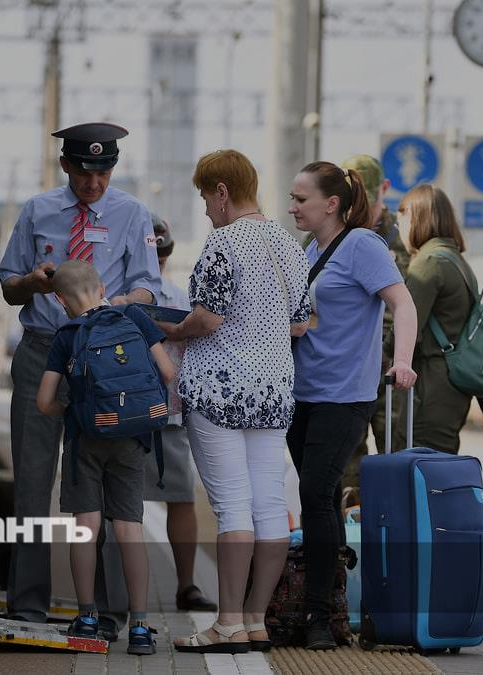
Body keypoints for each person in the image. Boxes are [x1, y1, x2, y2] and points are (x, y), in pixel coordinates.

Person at [0, 122, 161, 637]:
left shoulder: (133, 214)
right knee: (31, 484)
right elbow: (8, 286)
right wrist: (33, 282)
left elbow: (149, 289)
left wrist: (117, 306)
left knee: (106, 488)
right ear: (66, 165)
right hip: (44, 351)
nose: (95, 182)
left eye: (104, 170)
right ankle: (27, 608)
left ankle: (109, 614)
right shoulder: (37, 211)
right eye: (86, 171)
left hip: (104, 361)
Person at [158, 150, 310, 653]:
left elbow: (207, 319)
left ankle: (225, 624)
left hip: (220, 390)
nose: (205, 208)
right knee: (269, 505)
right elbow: (300, 321)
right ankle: (255, 621)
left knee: (231, 507)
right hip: (272, 392)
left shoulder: (224, 242)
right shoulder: (290, 245)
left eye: (205, 196)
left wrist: (173, 328)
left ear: (222, 191)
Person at [287, 161, 417, 650]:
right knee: (319, 500)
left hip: (345, 395)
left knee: (317, 494)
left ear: (332, 203)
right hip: (302, 391)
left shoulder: (362, 245)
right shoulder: (309, 248)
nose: (293, 206)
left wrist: (402, 360)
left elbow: (402, 304)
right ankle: (336, 607)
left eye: (301, 198)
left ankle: (319, 615)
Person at [35, 260, 174, 655]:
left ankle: (89, 618)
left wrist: (77, 411)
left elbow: (44, 401)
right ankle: (142, 627)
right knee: (130, 528)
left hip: (85, 440)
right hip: (133, 438)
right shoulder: (132, 316)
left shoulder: (66, 334)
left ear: (60, 300)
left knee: (87, 527)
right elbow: (165, 372)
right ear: (102, 287)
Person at [144, 215, 217, 613]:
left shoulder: (119, 297)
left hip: (133, 414)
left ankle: (118, 585)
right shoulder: (179, 302)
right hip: (168, 410)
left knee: (125, 503)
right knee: (179, 499)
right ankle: (185, 586)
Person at [336, 155, 412, 496]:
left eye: (367, 196)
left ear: (384, 189)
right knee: (346, 469)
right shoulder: (328, 237)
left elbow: (413, 303)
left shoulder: (408, 235)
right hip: (346, 373)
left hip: (391, 375)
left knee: (395, 463)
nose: (360, 206)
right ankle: (351, 544)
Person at [392, 184, 476, 453]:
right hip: (451, 384)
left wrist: (384, 353)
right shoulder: (456, 259)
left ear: (415, 218)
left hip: (430, 387)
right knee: (438, 466)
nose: (399, 228)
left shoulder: (428, 262)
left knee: (418, 465)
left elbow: (407, 326)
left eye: (400, 219)